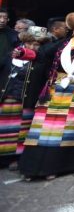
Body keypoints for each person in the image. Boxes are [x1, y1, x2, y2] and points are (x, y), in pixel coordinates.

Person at [19, 12, 74, 180]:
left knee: (66, 131)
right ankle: (33, 167)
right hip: (55, 89)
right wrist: (25, 54)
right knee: (42, 127)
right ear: (73, 30)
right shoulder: (62, 44)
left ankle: (58, 166)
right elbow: (41, 55)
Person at [0, 27, 49, 169]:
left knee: (20, 132)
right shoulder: (11, 55)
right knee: (4, 129)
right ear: (24, 42)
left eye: (37, 44)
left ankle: (16, 158)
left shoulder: (41, 61)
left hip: (26, 101)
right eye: (30, 43)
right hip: (7, 99)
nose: (33, 47)